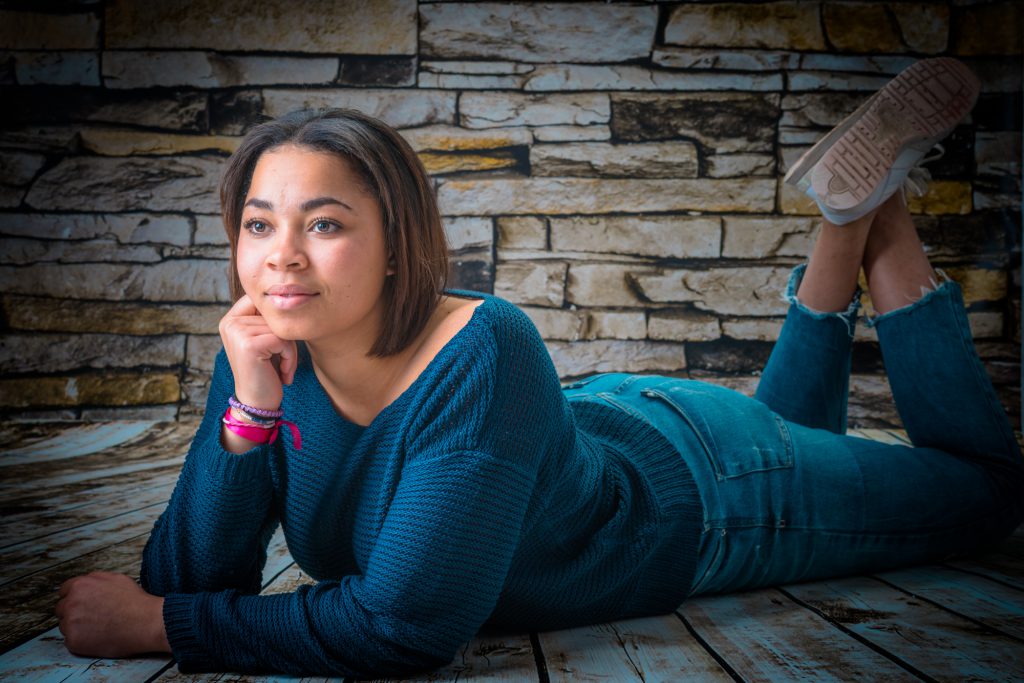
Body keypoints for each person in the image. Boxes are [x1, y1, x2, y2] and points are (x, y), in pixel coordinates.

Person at [55, 57, 1023, 677]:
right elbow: (184, 573)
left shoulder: (485, 343)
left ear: (398, 243)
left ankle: (871, 213)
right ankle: (852, 211)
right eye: (259, 224)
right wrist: (249, 415)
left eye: (325, 223)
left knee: (986, 496)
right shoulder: (264, 341)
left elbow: (397, 630)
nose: (281, 257)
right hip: (588, 430)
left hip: (709, 490)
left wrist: (163, 630)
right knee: (808, 432)